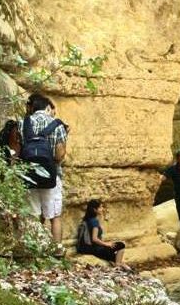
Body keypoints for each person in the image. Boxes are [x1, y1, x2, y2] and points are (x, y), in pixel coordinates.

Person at [20, 93, 67, 249]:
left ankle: (34, 250)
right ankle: (57, 251)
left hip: (28, 175)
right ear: (47, 107)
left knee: (32, 215)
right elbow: (60, 155)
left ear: (31, 107)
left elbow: (18, 150)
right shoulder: (57, 124)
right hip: (52, 176)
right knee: (54, 216)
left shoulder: (22, 123)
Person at [77, 199, 129, 269]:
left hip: (84, 248)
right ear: (94, 209)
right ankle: (117, 265)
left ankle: (124, 267)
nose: (102, 209)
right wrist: (106, 244)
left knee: (114, 256)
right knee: (121, 245)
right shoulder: (94, 221)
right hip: (93, 249)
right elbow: (94, 239)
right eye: (100, 207)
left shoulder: (87, 219)